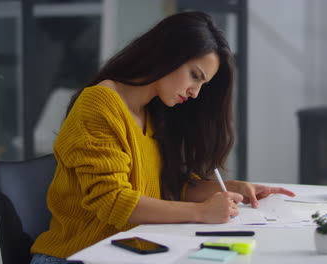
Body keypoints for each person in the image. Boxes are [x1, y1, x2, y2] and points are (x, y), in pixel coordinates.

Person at [30, 11, 295, 263]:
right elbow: (111, 202)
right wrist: (201, 213)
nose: (195, 93)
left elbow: (163, 188)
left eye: (203, 84)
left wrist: (230, 189)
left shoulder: (152, 113)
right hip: (74, 257)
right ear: (167, 54)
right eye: (194, 76)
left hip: (130, 253)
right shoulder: (100, 104)